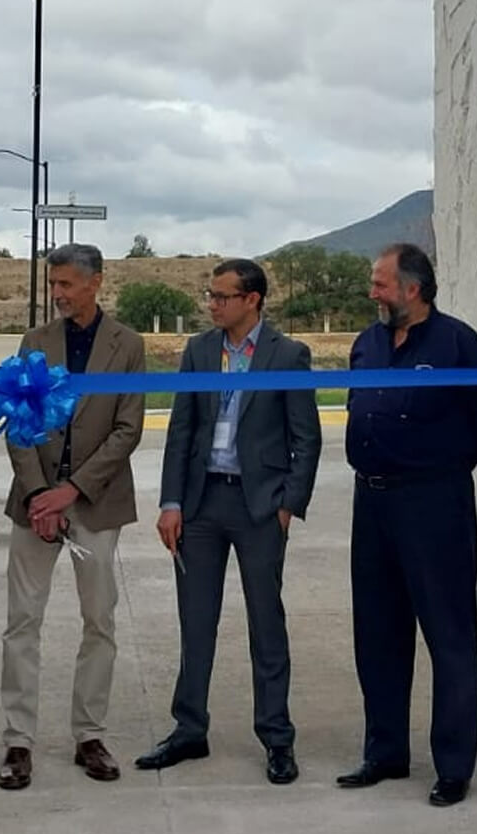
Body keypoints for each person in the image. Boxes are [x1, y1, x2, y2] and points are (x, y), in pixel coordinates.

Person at [338, 243, 477, 808]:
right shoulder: (366, 344)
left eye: (381, 283)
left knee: (449, 635)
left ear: (413, 289)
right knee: (379, 634)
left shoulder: (457, 343)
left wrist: (444, 463)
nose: (373, 293)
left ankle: (454, 766)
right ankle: (385, 753)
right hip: (373, 505)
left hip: (433, 505)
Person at [136, 258, 320, 785]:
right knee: (196, 623)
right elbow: (181, 429)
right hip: (200, 504)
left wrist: (288, 505)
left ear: (251, 300)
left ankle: (277, 737)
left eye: (221, 296)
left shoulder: (287, 354)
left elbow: (305, 436)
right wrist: (171, 502)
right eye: (210, 296)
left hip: (258, 506)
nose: (212, 304)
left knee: (267, 624)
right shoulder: (199, 350)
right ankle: (189, 729)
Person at [0, 243, 145, 790]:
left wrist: (72, 491)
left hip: (96, 506)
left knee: (99, 622)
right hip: (33, 505)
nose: (57, 293)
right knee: (22, 623)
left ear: (96, 282)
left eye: (66, 284)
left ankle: (90, 734)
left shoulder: (127, 344)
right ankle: (18, 741)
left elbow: (127, 428)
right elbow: (17, 420)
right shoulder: (35, 342)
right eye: (53, 284)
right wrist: (40, 493)